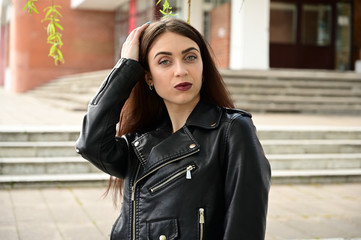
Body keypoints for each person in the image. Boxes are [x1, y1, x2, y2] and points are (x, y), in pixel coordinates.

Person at [76, 18, 271, 240]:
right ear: (148, 76)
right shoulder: (141, 142)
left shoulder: (231, 130)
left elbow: (245, 229)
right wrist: (126, 68)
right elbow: (91, 144)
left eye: (190, 57)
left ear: (203, 66)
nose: (181, 71)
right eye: (164, 61)